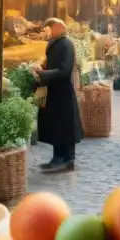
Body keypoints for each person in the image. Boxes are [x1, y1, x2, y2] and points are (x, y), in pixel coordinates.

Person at [32, 18, 82, 173]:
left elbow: (64, 70)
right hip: (55, 91)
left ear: (58, 28)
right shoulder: (56, 43)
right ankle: (58, 157)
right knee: (57, 127)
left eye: (49, 27)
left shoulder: (65, 44)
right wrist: (42, 66)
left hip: (63, 93)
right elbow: (52, 63)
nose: (47, 31)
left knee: (63, 127)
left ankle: (66, 159)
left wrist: (43, 74)